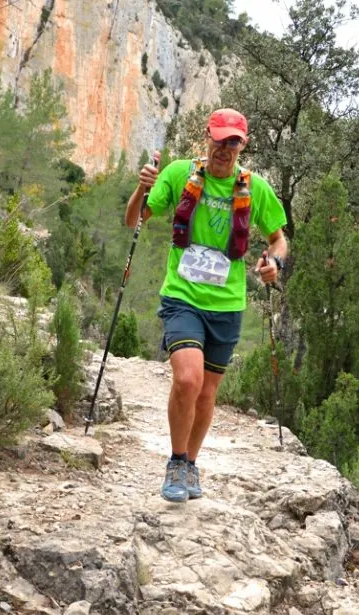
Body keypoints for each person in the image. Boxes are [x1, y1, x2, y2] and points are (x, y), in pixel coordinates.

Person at [124, 108, 288, 503]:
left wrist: (274, 263)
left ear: (242, 146)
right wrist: (140, 188)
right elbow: (134, 221)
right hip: (182, 295)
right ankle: (176, 461)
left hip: (227, 304)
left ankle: (191, 466)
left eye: (234, 142)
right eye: (220, 139)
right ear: (208, 138)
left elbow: (279, 240)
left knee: (207, 392)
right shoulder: (180, 174)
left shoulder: (256, 188)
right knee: (187, 379)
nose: (225, 149)